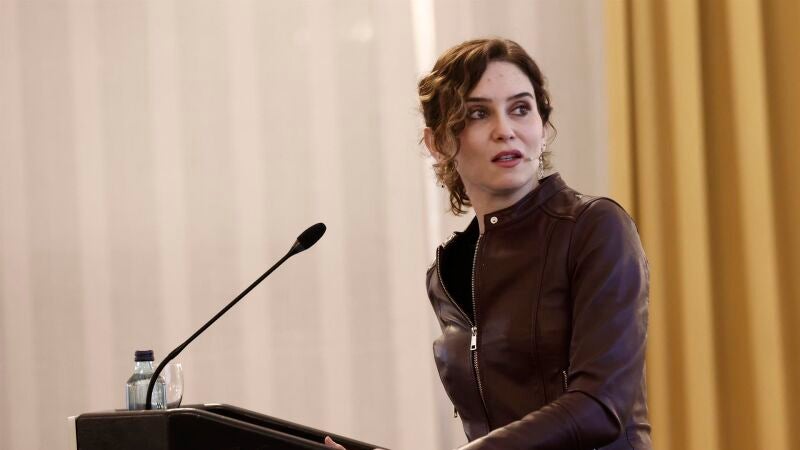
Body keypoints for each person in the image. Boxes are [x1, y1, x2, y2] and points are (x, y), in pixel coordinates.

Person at [327, 38, 650, 450]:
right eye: (478, 114)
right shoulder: (447, 272)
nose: (505, 130)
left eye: (521, 109)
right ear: (438, 142)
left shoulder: (594, 227)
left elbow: (600, 406)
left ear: (542, 128)